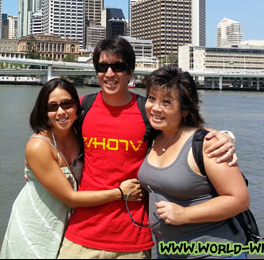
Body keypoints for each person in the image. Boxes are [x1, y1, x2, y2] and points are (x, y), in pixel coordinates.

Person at [58, 37, 237, 259]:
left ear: (131, 72)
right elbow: (51, 135)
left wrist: (223, 136)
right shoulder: (83, 108)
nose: (110, 74)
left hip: (133, 239)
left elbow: (184, 131)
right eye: (103, 67)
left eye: (119, 67)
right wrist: (35, 163)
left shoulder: (148, 111)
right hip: (81, 233)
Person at [0, 78, 143, 259]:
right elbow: (70, 198)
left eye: (66, 104)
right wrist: (120, 193)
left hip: (69, 225)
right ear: (44, 113)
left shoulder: (79, 136)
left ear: (76, 107)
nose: (60, 112)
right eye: (52, 107)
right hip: (36, 224)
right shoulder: (39, 146)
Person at [137, 65, 250, 259]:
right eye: (151, 98)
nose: (155, 107)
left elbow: (240, 200)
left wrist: (184, 215)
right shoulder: (154, 137)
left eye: (166, 102)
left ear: (185, 110)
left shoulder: (207, 145)